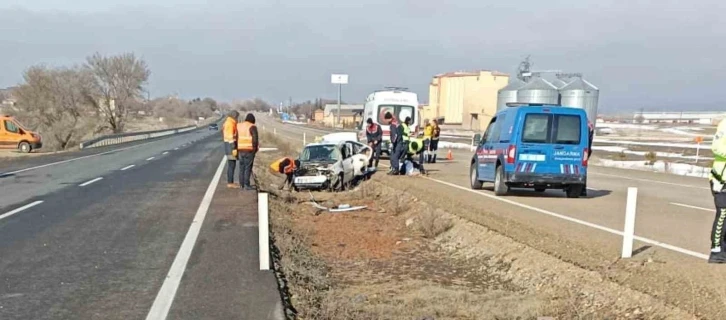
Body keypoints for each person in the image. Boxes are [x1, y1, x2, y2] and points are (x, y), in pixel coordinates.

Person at [708, 118, 726, 263]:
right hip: (722, 180)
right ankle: (716, 251)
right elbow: (716, 147)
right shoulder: (725, 124)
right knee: (723, 214)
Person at [236, 113, 259, 190]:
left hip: (240, 149)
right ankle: (246, 185)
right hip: (249, 150)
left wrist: (236, 148)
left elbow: (235, 137)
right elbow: (255, 139)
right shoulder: (252, 126)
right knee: (248, 168)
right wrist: (255, 149)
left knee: (241, 167)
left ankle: (241, 184)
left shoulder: (239, 126)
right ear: (252, 120)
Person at [222, 110, 239, 188]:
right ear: (234, 116)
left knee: (232, 165)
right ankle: (230, 182)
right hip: (230, 147)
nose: (237, 119)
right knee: (231, 165)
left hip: (228, 146)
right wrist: (234, 148)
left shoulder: (229, 122)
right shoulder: (230, 123)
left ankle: (230, 182)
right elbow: (230, 137)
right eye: (237, 117)